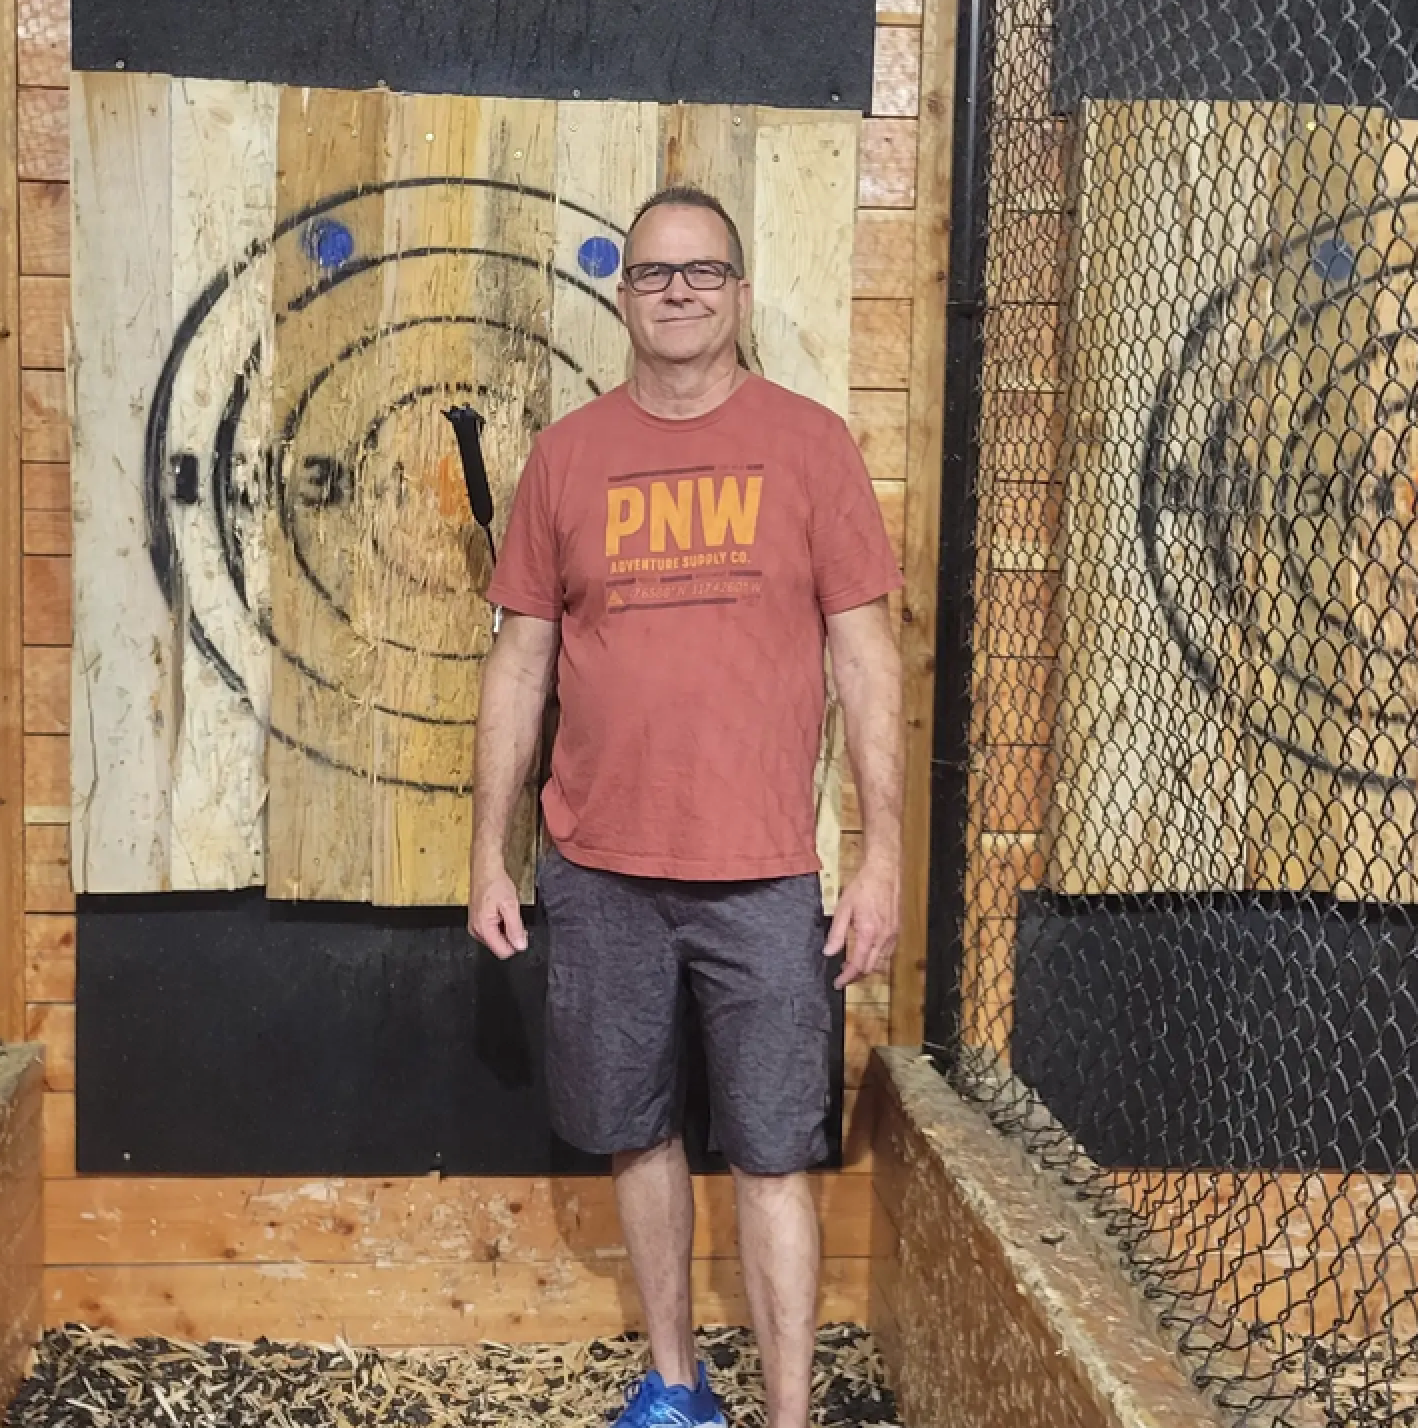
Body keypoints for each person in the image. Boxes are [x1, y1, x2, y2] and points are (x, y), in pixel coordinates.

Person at [468, 184, 903, 1428]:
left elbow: (866, 657)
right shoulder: (567, 456)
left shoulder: (810, 446)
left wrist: (877, 860)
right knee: (635, 1134)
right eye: (655, 273)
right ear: (625, 296)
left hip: (765, 873)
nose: (677, 291)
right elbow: (520, 663)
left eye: (702, 272)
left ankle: (785, 1417)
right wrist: (489, 854)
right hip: (596, 868)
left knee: (773, 1155)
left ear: (739, 293)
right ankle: (673, 1389)